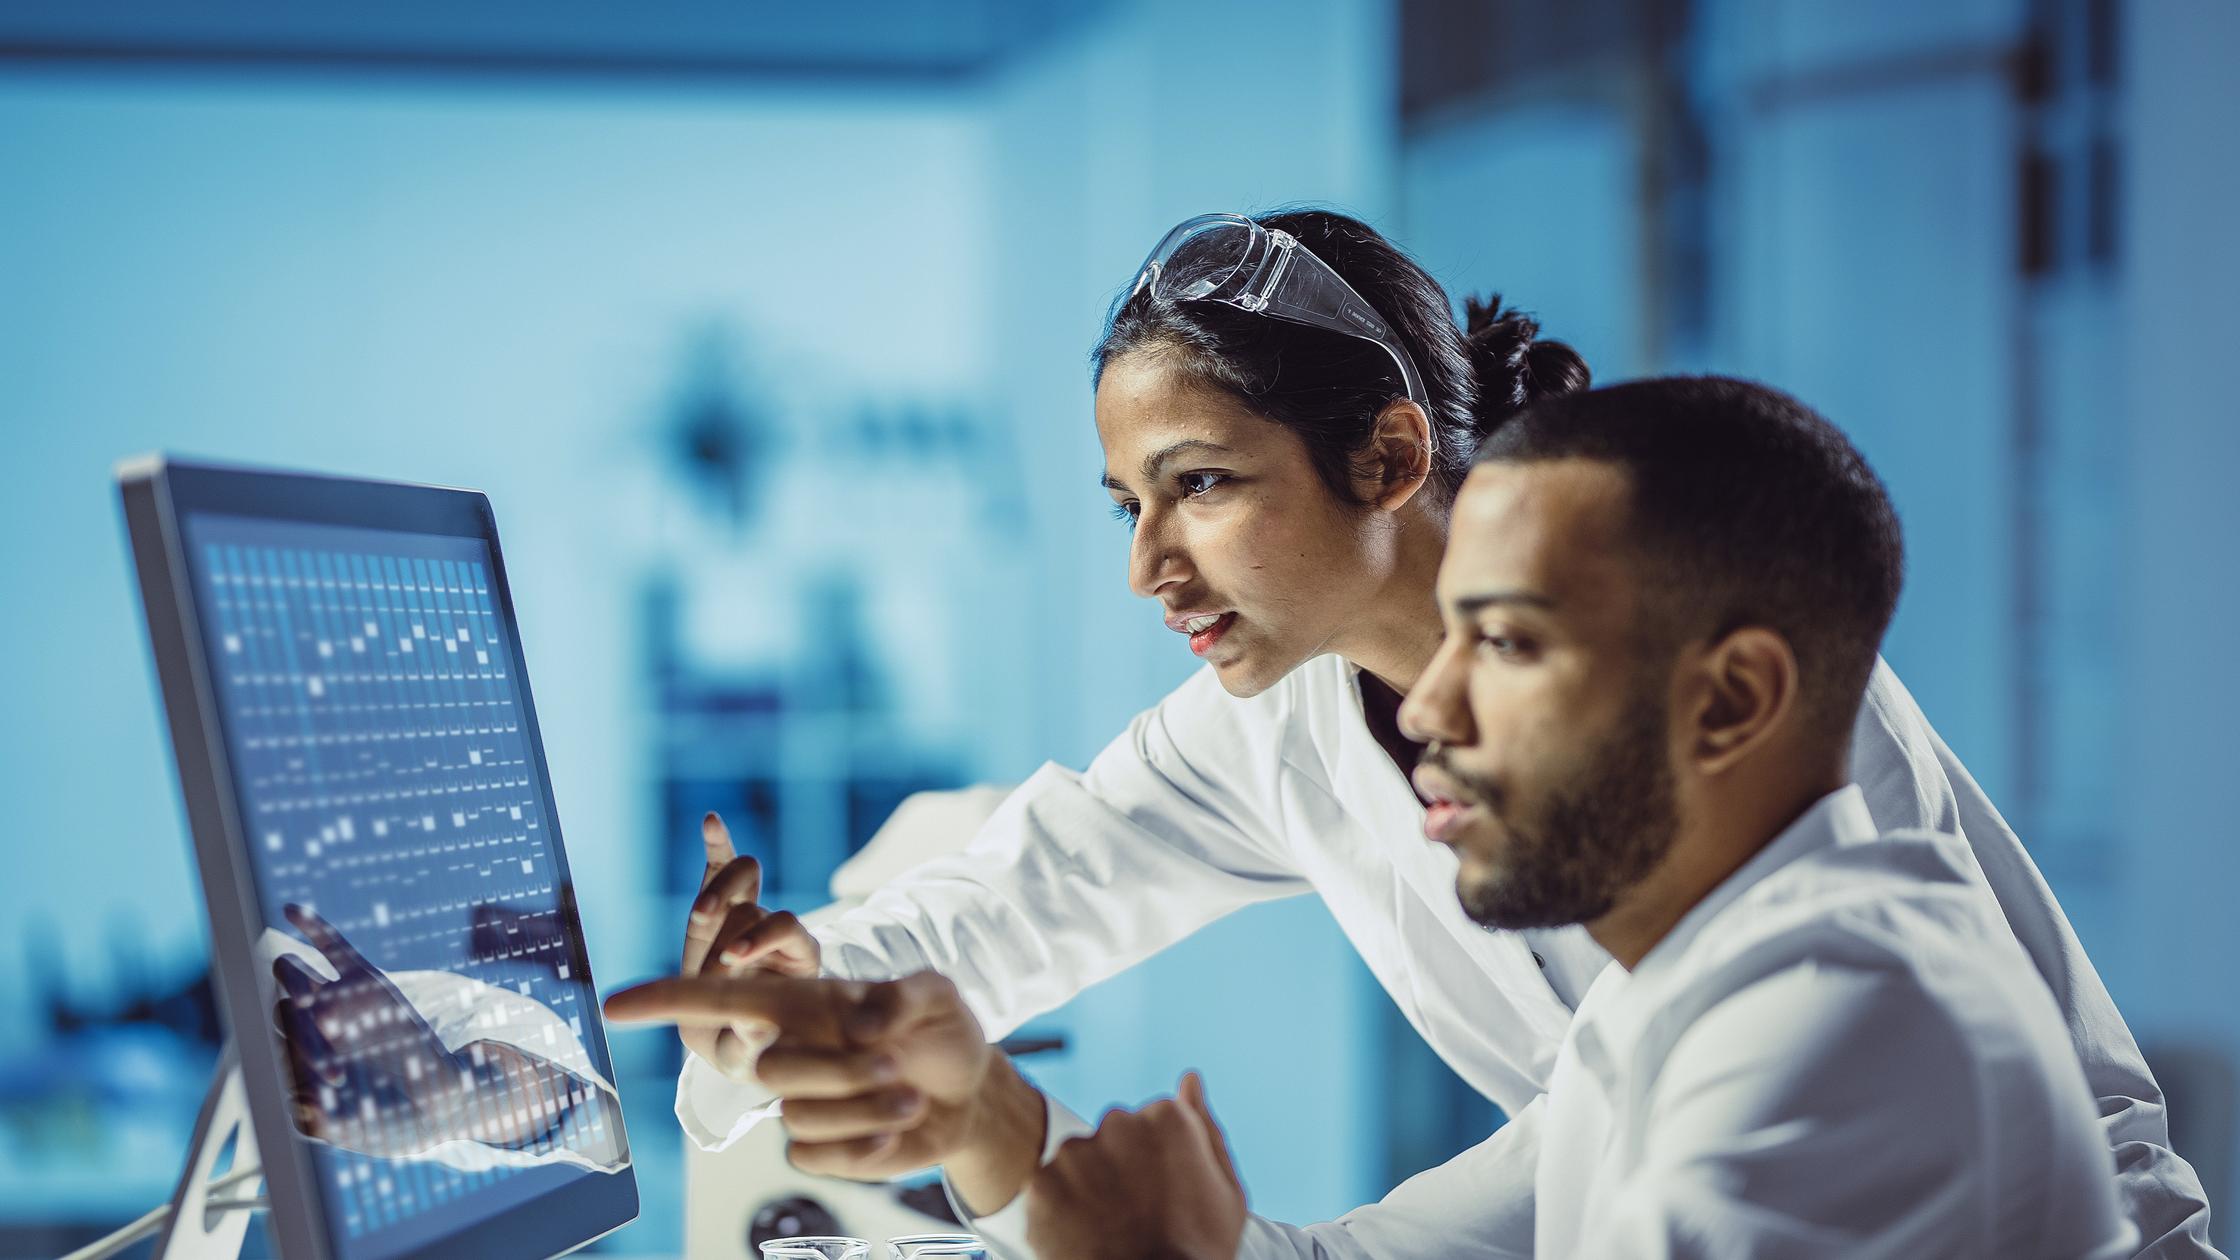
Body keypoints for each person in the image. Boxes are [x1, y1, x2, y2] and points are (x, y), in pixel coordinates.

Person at [616, 211, 2213, 1254]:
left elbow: (1837, 1077)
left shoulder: (1784, 891)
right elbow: (1011, 908)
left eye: (1203, 483)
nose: (1148, 564)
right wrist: (830, 1025)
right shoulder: (1291, 716)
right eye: (1130, 503)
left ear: (1389, 456)